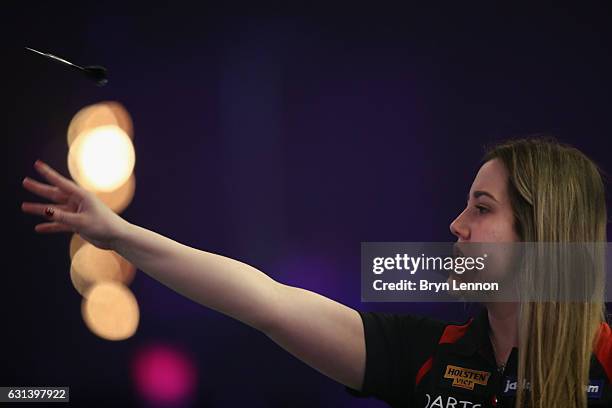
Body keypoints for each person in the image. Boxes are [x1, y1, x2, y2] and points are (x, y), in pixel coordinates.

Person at [21, 136, 612, 408]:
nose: (456, 225)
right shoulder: (429, 355)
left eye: (482, 209)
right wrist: (120, 233)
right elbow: (264, 302)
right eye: (465, 205)